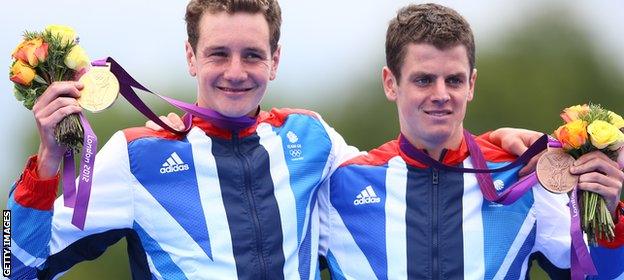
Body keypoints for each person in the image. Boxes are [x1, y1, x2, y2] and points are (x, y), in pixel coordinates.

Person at [6, 0, 551, 279]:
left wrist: (493, 145)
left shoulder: (310, 139)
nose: (236, 71)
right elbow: (15, 263)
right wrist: (47, 164)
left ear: (276, 60)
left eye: (253, 55)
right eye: (219, 53)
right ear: (192, 56)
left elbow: (407, 170)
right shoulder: (136, 155)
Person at [317, 3, 624, 279]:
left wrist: (609, 219)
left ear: (471, 84)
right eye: (423, 79)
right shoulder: (341, 186)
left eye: (454, 80)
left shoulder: (522, 178)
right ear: (390, 83)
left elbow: (598, 275)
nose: (441, 95)